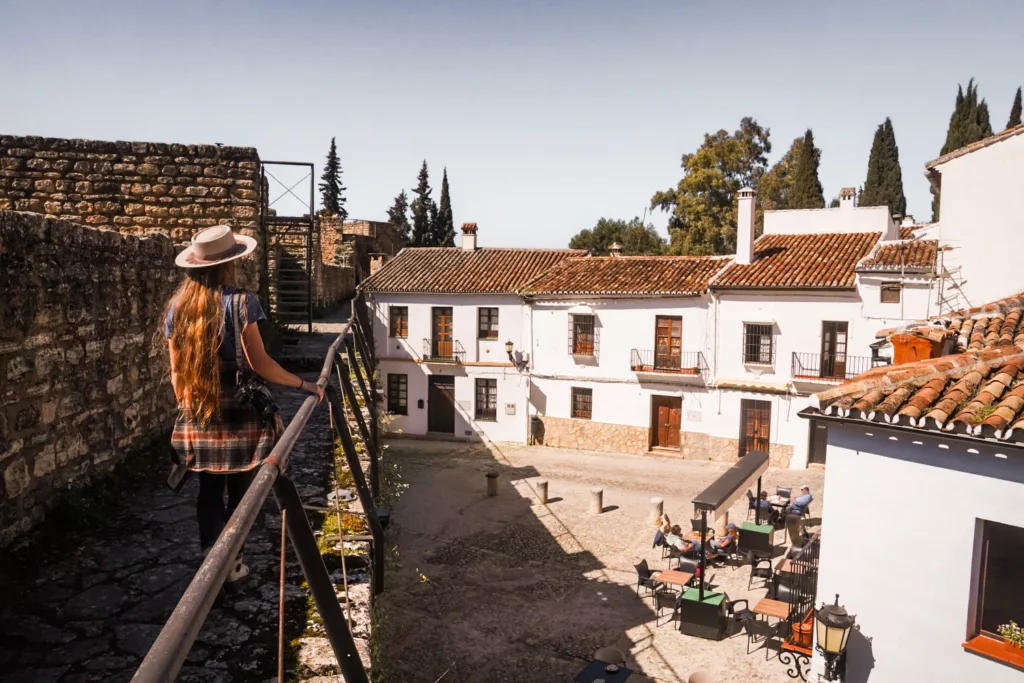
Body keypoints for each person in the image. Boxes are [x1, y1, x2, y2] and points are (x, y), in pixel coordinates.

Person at [165, 225, 324, 590]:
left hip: (200, 408)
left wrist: (187, 407)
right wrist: (305, 385)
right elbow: (260, 364)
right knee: (240, 493)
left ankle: (211, 561)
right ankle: (232, 562)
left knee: (208, 490)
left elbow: (177, 372)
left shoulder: (177, 307)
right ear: (229, 264)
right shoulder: (241, 302)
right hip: (239, 413)